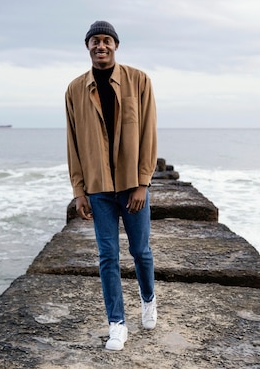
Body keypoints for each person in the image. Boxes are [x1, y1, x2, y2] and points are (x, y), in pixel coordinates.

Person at [65, 20, 158, 351]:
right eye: (94, 41)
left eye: (106, 40)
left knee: (140, 251)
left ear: (115, 45)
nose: (100, 46)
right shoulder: (75, 89)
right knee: (107, 256)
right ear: (87, 47)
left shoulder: (139, 80)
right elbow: (72, 143)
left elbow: (148, 134)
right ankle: (117, 323)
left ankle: (148, 299)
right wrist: (79, 190)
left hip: (133, 185)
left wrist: (143, 183)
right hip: (98, 188)